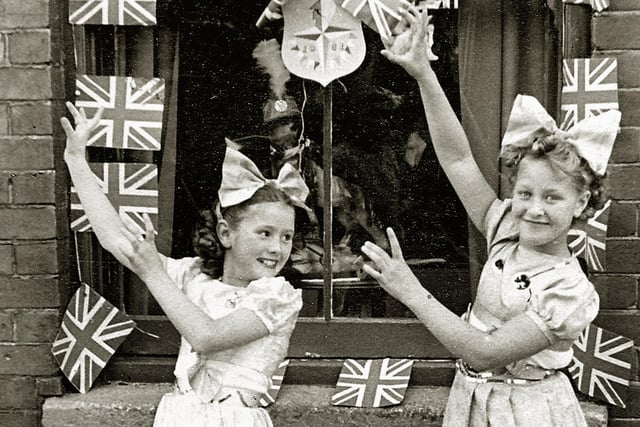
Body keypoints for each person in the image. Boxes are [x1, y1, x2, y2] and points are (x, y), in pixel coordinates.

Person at [360, 7, 621, 426]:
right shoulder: (505, 231)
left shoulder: (568, 291)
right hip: (472, 402)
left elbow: (482, 351)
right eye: (524, 193)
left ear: (581, 202)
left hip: (529, 412)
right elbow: (458, 158)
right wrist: (424, 75)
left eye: (552, 197)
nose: (533, 209)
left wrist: (410, 290)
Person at [61, 101, 309, 427]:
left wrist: (152, 271)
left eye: (286, 237)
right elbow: (116, 240)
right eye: (265, 233)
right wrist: (76, 161)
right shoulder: (193, 277)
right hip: (179, 416)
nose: (277, 248)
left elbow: (206, 335)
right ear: (226, 233)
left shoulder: (277, 296)